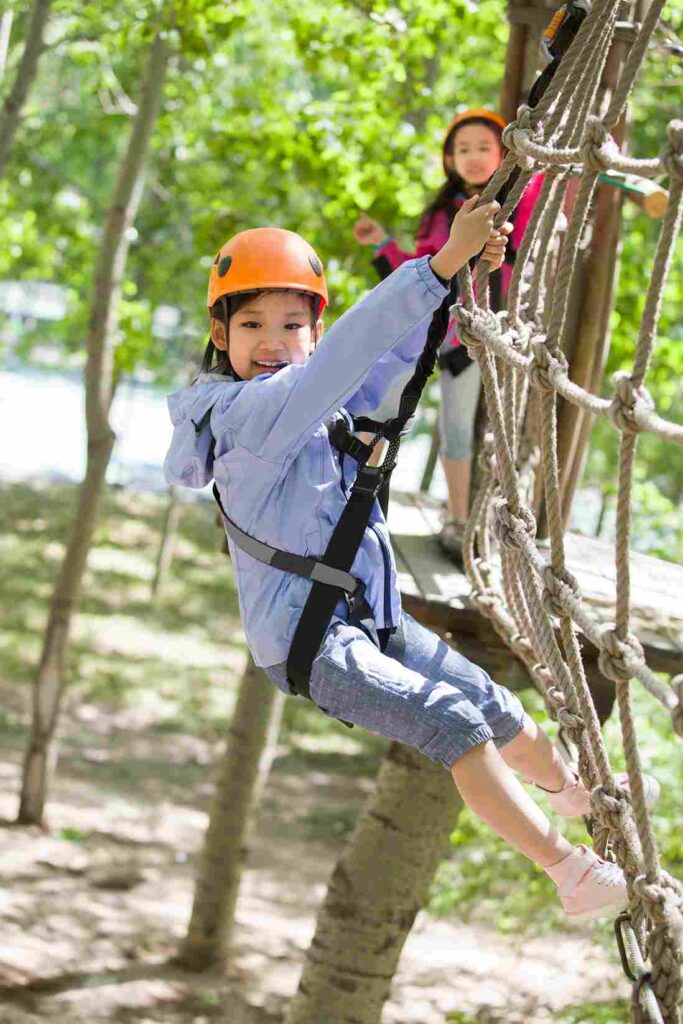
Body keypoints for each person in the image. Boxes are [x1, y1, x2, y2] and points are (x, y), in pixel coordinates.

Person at [164, 217, 641, 922]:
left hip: (367, 617)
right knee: (452, 722)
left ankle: (573, 793)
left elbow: (382, 360)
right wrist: (436, 262)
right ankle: (567, 872)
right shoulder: (248, 415)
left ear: (312, 332)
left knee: (489, 702)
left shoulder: (310, 400)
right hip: (313, 645)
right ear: (220, 334)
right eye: (252, 325)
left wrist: (455, 282)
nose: (272, 342)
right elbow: (350, 351)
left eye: (292, 324)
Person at [354, 109, 544, 563]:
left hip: (474, 335)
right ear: (449, 158)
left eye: (485, 147)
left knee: (458, 429)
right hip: (430, 330)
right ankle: (354, 493)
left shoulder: (516, 197)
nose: (475, 157)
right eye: (464, 149)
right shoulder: (441, 212)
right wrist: (381, 243)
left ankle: (460, 521)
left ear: (503, 153)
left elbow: (541, 181)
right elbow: (419, 269)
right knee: (379, 406)